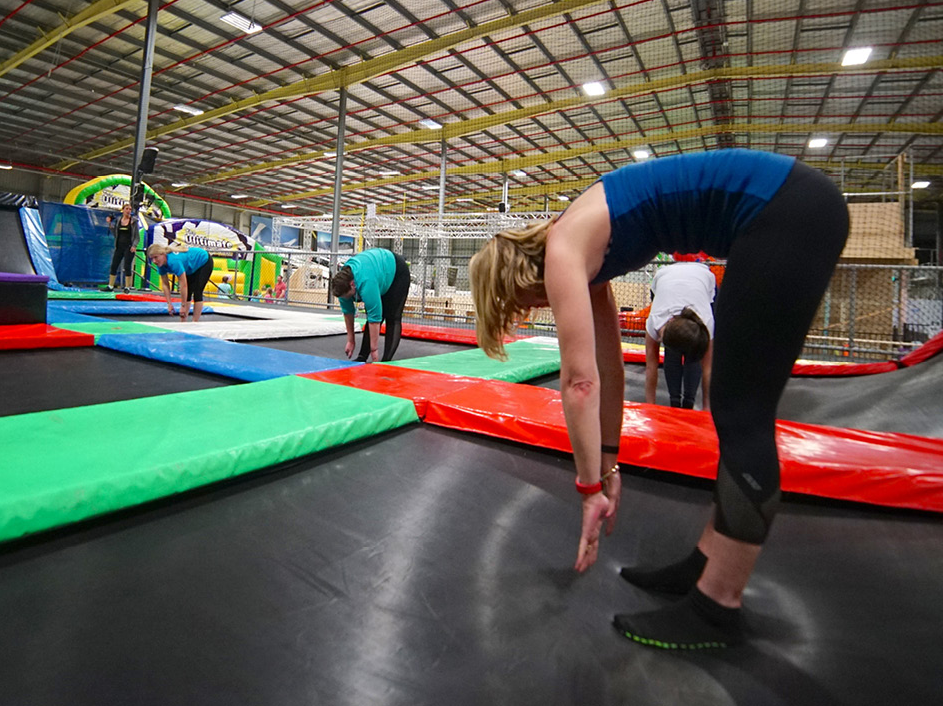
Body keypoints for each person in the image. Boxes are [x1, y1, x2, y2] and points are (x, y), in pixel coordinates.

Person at [468, 150, 848, 649]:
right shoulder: (585, 250)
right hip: (787, 208)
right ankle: (704, 564)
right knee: (736, 409)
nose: (537, 309)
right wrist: (608, 465)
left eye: (525, 304)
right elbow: (606, 371)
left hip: (786, 210)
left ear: (520, 279)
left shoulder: (564, 248)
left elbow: (578, 384)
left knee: (741, 411)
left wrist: (587, 492)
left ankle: (718, 608)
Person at [644, 261, 717, 410]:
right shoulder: (654, 322)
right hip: (664, 277)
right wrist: (649, 406)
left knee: (694, 352)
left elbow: (708, 368)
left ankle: (688, 402)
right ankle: (675, 401)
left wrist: (707, 410)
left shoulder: (706, 323)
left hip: (703, 278)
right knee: (673, 353)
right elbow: (651, 367)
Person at [330, 248, 411, 363]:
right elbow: (348, 313)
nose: (346, 299)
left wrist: (374, 351)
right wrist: (351, 341)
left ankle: (386, 360)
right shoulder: (342, 285)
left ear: (352, 285)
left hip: (396, 272)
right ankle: (362, 356)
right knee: (373, 318)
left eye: (348, 296)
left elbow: (375, 318)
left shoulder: (366, 283)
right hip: (377, 272)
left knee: (392, 317)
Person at [147, 242, 213, 322]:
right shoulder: (160, 265)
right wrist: (169, 304)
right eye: (152, 259)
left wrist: (183, 306)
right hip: (190, 267)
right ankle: (183, 322)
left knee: (197, 292)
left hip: (203, 260)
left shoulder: (174, 261)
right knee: (188, 293)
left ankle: (195, 322)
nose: (154, 261)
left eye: (156, 257)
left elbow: (183, 285)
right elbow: (165, 285)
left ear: (163, 254)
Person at [106, 203, 139, 291]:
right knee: (114, 265)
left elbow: (137, 236)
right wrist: (110, 224)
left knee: (127, 267)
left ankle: (127, 287)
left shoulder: (133, 221)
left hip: (129, 247)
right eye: (127, 209)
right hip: (119, 246)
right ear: (123, 210)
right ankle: (110, 286)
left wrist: (134, 246)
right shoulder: (119, 220)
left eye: (130, 209)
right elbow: (115, 233)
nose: (128, 211)